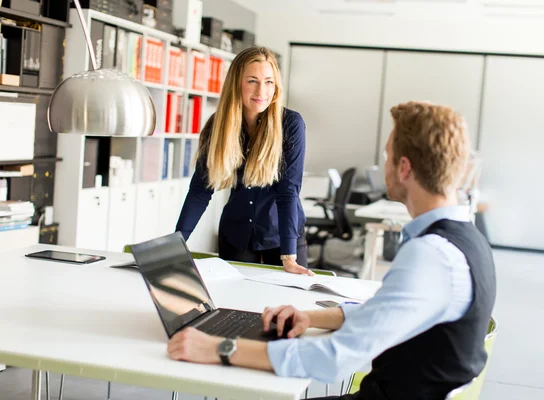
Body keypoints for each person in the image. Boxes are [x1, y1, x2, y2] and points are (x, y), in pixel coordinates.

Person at [167, 101, 497, 400]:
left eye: (387, 156)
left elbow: (334, 358)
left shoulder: (430, 255)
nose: (383, 166)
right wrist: (311, 317)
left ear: (405, 168)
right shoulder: (464, 240)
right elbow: (385, 312)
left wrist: (221, 348)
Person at [176, 47, 313, 276]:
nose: (262, 91)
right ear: (236, 83)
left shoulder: (290, 124)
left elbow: (288, 191)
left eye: (269, 82)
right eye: (252, 81)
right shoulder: (218, 126)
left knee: (287, 305)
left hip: (283, 233)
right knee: (235, 303)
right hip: (236, 233)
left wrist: (289, 257)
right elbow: (200, 190)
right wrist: (177, 242)